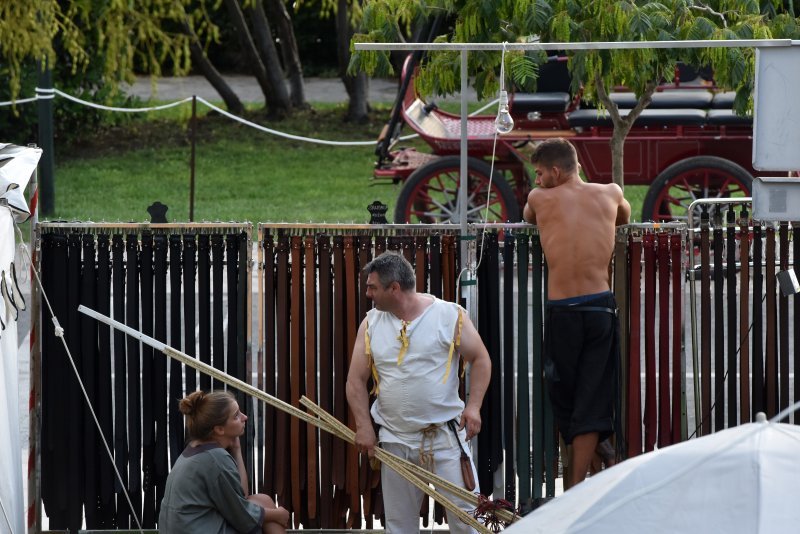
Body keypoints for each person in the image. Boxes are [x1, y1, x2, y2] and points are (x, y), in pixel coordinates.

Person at [346, 252, 492, 533]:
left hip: (445, 438)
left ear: (394, 288)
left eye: (373, 287)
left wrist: (473, 407)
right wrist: (364, 426)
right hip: (395, 438)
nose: (367, 294)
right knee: (399, 526)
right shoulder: (371, 323)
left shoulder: (449, 316)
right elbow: (355, 380)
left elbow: (481, 358)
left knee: (467, 521)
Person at [522, 138, 631, 488]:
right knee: (591, 393)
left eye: (539, 173)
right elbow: (625, 217)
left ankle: (573, 489)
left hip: (564, 311)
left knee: (566, 397)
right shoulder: (611, 193)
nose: (537, 181)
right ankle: (599, 448)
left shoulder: (539, 199)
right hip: (601, 306)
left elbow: (527, 217)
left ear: (555, 171)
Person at [159, 390, 289, 533]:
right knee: (269, 510)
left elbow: (241, 497)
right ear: (219, 429)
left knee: (262, 500)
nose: (244, 417)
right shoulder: (215, 459)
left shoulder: (196, 449)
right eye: (236, 416)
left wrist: (236, 450)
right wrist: (278, 514)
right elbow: (241, 514)